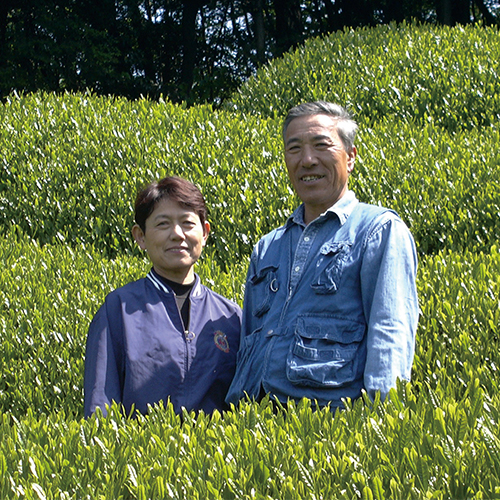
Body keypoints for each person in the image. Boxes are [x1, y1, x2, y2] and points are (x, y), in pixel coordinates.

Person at [226, 101, 419, 410]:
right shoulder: (267, 246)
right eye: (294, 149)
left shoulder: (378, 231)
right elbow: (250, 339)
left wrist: (381, 421)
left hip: (327, 428)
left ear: (351, 157)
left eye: (321, 145)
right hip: (254, 427)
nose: (307, 160)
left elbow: (390, 333)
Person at [84, 176, 241, 417]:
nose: (177, 234)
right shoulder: (118, 310)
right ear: (141, 236)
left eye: (188, 223)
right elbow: (101, 408)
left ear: (205, 233)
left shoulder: (231, 317)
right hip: (143, 451)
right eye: (163, 224)